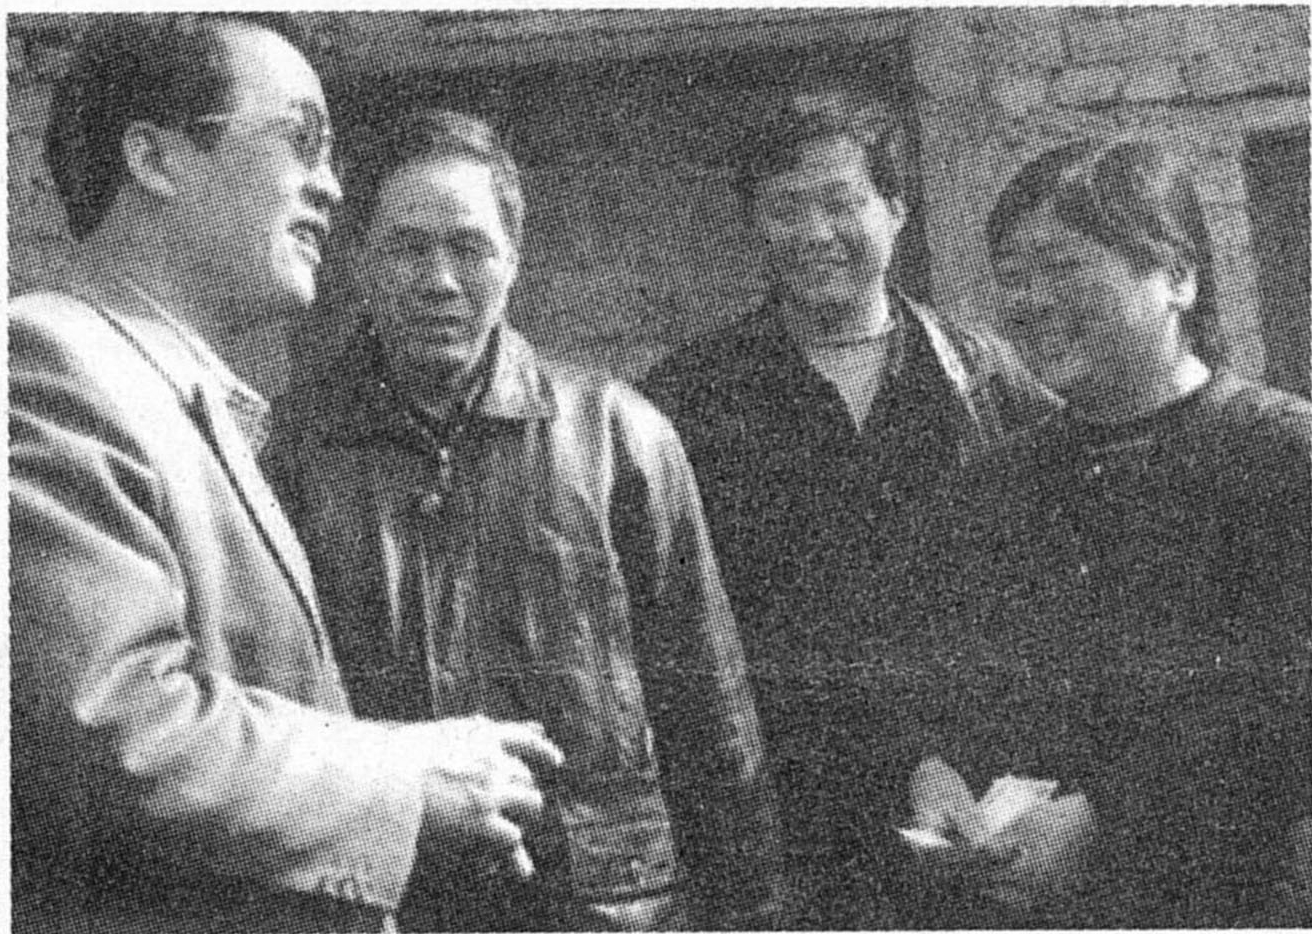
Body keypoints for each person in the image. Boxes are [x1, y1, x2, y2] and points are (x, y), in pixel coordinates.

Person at [9, 16, 562, 934]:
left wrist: (399, 754)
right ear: (154, 157)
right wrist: (399, 774)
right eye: (301, 139)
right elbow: (111, 724)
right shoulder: (48, 365)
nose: (331, 187)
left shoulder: (172, 391)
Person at [262, 108, 782, 932]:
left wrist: (748, 915)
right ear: (358, 261)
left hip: (600, 910)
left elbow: (711, 713)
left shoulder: (620, 436)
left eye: (469, 247)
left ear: (513, 258)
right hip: (388, 907)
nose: (440, 280)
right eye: (407, 247)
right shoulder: (289, 451)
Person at [638, 95, 1055, 928]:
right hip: (780, 833)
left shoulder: (983, 380)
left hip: (965, 821)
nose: (816, 233)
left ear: (896, 209)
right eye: (785, 208)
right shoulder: (686, 400)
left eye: (841, 202)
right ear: (754, 224)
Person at [885, 137, 1311, 926]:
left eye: (1063, 267)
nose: (1032, 301)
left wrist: (1107, 818)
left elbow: (1286, 717)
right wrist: (934, 769)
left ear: (1178, 276)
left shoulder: (1282, 458)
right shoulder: (993, 487)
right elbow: (937, 683)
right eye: (1014, 276)